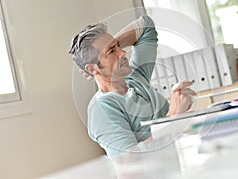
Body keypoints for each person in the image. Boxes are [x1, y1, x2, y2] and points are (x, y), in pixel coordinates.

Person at [68, 15, 196, 156]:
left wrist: (109, 46)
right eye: (111, 52)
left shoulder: (136, 78)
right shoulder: (101, 109)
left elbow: (146, 26)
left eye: (118, 46)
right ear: (91, 69)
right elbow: (129, 161)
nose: (123, 52)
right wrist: (173, 116)